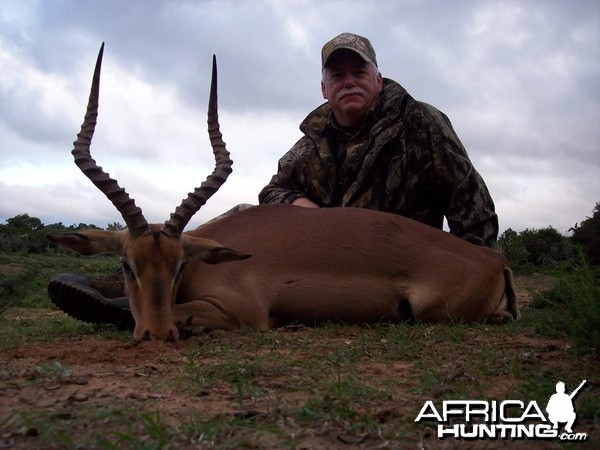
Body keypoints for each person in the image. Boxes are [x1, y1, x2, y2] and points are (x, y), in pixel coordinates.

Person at [48, 32, 499, 328]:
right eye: (337, 75)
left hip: (395, 247)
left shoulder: (421, 122)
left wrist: (478, 259)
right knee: (246, 214)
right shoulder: (311, 142)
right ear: (324, 87)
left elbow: (467, 192)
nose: (348, 82)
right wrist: (304, 213)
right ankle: (137, 278)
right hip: (327, 237)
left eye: (358, 72)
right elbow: (275, 192)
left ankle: (132, 303)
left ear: (378, 78)